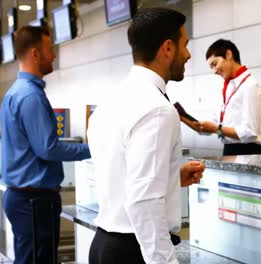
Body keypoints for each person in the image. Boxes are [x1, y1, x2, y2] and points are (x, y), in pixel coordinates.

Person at [87, 8, 205, 264]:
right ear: (167, 48)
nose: (187, 55)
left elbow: (120, 174)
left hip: (103, 245)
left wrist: (172, 177)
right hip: (134, 251)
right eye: (185, 45)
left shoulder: (110, 101)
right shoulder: (158, 110)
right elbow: (144, 202)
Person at [0, 26, 91, 264]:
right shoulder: (30, 96)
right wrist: (95, 149)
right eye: (50, 49)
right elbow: (48, 149)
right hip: (34, 202)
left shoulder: (15, 93)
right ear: (35, 54)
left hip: (25, 200)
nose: (53, 55)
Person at [180, 39, 261, 155]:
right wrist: (182, 117)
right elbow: (212, 126)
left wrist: (217, 129)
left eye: (215, 64)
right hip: (230, 150)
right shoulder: (228, 87)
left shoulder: (250, 86)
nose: (214, 71)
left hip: (248, 152)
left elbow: (250, 133)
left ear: (228, 54)